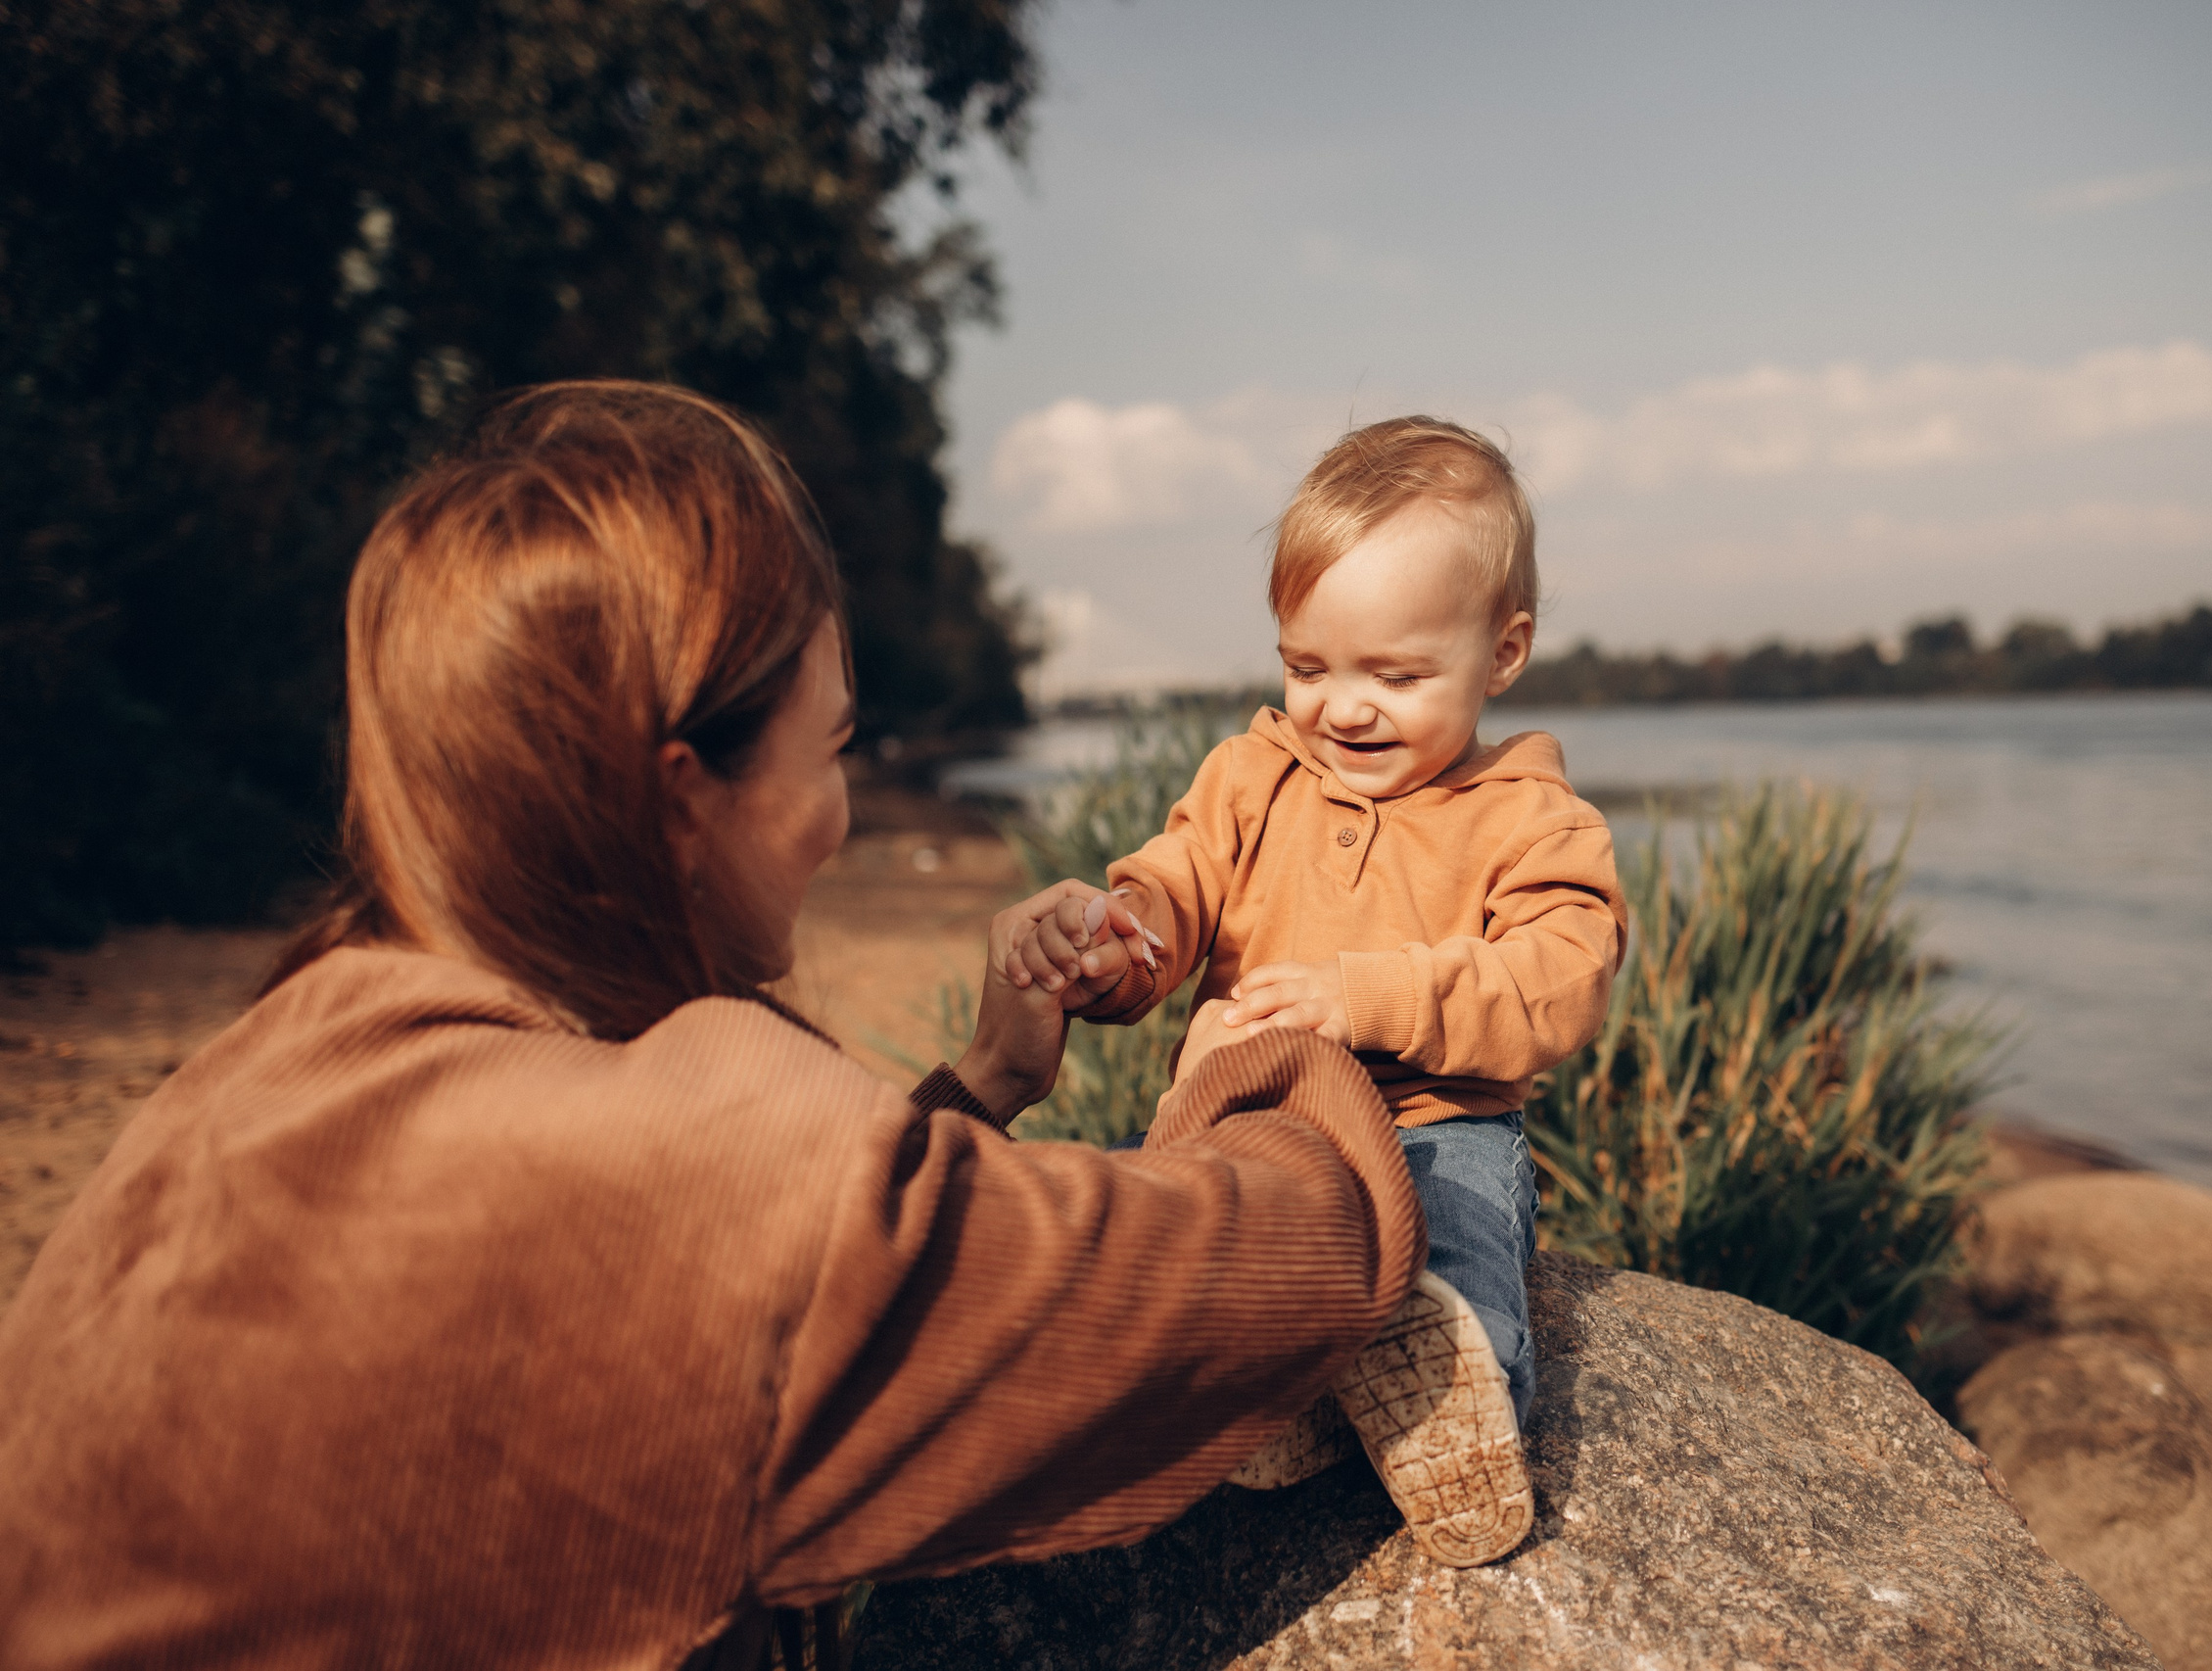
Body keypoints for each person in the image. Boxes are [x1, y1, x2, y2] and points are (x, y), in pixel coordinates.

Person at [0, 383, 1444, 1669]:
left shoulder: (279, 1052)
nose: (843, 820)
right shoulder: (695, 1168)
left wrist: (991, 1078)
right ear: (686, 793)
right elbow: (1256, 1271)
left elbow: (710, 1314)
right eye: (832, 751)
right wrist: (1297, 1055)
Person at [1006, 417, 1628, 1566]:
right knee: (1166, 1233)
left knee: (1456, 1255)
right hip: (1249, 1118)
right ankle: (1268, 1386)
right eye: (1307, 666)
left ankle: (1436, 1394)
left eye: (1395, 674)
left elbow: (1561, 978)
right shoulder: (1248, 777)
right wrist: (1113, 945)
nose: (1343, 707)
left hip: (1432, 1123)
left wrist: (1367, 998)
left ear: (1502, 652)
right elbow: (1172, 890)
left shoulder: (1531, 818)